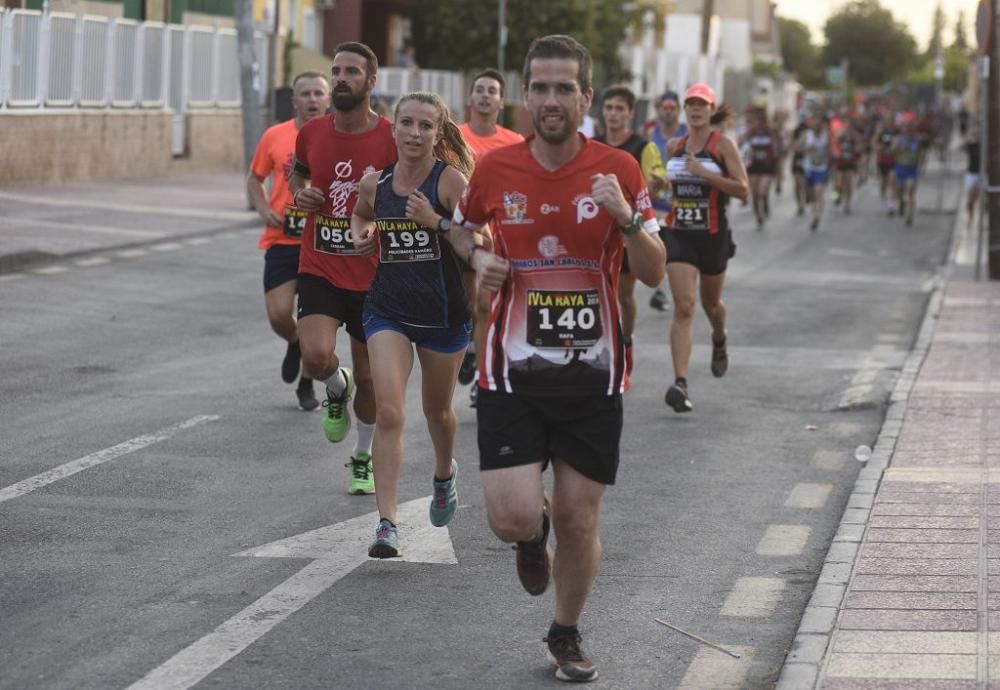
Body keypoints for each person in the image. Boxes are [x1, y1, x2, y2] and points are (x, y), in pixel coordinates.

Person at [451, 34, 665, 682]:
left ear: (586, 97)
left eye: (563, 88)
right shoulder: (495, 170)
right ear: (525, 95)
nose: (550, 100)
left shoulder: (620, 172)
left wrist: (626, 217)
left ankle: (565, 631)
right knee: (512, 513)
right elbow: (461, 226)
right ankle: (528, 533)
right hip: (512, 368)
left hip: (593, 373)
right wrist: (476, 255)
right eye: (539, 88)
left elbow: (654, 270)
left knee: (580, 516)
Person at [352, 92, 476, 558]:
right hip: (387, 309)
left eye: (425, 126)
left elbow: (474, 242)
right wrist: (360, 234)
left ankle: (444, 475)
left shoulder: (450, 183)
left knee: (437, 412)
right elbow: (361, 215)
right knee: (390, 412)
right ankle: (387, 523)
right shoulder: (375, 184)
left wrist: (436, 222)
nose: (414, 133)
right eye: (406, 123)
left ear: (438, 134)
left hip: (443, 317)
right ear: (394, 128)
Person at [288, 42, 398, 495]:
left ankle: (362, 456)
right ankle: (336, 387)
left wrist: (381, 221)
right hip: (321, 264)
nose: (340, 79)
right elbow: (298, 174)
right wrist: (302, 193)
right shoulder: (311, 133)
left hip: (374, 275)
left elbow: (411, 191)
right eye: (336, 71)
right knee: (314, 357)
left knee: (371, 379)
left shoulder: (393, 136)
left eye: (352, 72)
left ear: (371, 81)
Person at [661, 83, 748, 413]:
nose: (695, 109)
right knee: (684, 306)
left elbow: (743, 191)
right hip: (679, 233)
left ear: (711, 110)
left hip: (712, 235)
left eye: (702, 104)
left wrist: (705, 174)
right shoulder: (675, 146)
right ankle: (680, 383)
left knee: (711, 305)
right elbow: (674, 189)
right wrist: (660, 184)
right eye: (690, 104)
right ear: (685, 109)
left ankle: (719, 335)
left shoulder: (722, 145)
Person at [247, 71, 331, 412]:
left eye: (318, 93)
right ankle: (294, 343)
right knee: (280, 315)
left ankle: (306, 383)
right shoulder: (275, 136)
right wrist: (263, 207)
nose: (312, 100)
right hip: (283, 239)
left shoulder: (336, 137)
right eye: (305, 94)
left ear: (327, 99)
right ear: (294, 100)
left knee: (315, 325)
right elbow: (255, 179)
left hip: (322, 241)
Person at [457, 69, 525, 407]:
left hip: (496, 233)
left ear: (501, 100)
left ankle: (481, 376)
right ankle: (469, 346)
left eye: (492, 91)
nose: (485, 96)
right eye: (479, 90)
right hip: (456, 230)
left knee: (483, 305)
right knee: (465, 305)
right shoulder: (453, 137)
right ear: (470, 98)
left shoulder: (513, 142)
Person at [595, 84, 668, 373]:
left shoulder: (642, 147)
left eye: (619, 109)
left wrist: (657, 183)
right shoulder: (592, 145)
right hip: (597, 232)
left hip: (629, 233)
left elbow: (656, 182)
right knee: (601, 293)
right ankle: (600, 344)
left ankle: (625, 339)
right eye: (609, 108)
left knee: (624, 295)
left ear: (630, 113)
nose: (613, 114)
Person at [644, 90, 687, 312]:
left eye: (673, 108)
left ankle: (677, 290)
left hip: (681, 199)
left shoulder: (686, 133)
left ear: (679, 110)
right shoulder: (651, 133)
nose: (668, 112)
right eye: (665, 108)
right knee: (660, 242)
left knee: (674, 248)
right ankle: (660, 291)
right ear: (659, 110)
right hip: (656, 199)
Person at [743, 106, 777, 230]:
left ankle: (766, 202)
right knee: (755, 195)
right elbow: (742, 144)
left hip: (767, 166)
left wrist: (777, 168)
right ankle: (758, 216)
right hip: (753, 166)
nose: (759, 123)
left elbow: (776, 149)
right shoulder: (751, 131)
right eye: (757, 120)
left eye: (761, 120)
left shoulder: (771, 131)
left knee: (762, 192)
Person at [802, 114, 832, 232]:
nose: (816, 126)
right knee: (811, 195)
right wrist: (807, 148)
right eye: (814, 124)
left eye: (818, 124)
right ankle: (814, 213)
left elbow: (830, 153)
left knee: (818, 191)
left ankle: (817, 216)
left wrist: (830, 169)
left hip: (821, 168)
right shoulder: (807, 135)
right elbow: (799, 148)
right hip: (809, 168)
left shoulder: (826, 136)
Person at [892, 116, 922, 227]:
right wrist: (897, 148)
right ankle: (901, 202)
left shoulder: (917, 139)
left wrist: (919, 163)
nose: (909, 130)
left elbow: (920, 154)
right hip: (901, 168)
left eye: (911, 127)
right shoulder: (899, 139)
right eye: (906, 128)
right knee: (900, 191)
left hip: (912, 169)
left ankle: (909, 214)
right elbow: (892, 152)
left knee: (910, 191)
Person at [834, 120, 861, 214]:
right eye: (846, 128)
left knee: (848, 184)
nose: (847, 130)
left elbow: (859, 149)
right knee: (838, 183)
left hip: (850, 163)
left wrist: (855, 149)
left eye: (849, 128)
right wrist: (837, 154)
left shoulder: (855, 138)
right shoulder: (840, 137)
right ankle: (836, 196)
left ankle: (847, 203)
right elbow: (835, 147)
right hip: (840, 163)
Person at [875, 114, 898, 215]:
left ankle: (891, 206)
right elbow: (873, 142)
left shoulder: (897, 132)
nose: (890, 123)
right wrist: (880, 147)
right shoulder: (881, 132)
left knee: (892, 181)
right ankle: (883, 196)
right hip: (883, 161)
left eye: (891, 121)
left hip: (894, 161)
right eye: (888, 121)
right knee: (884, 182)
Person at [790, 119, 809, 216]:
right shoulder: (796, 134)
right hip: (797, 160)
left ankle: (806, 199)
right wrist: (801, 140)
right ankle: (799, 205)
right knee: (797, 184)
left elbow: (808, 149)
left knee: (804, 183)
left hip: (807, 160)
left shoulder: (810, 134)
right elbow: (794, 148)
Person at [964, 126, 981, 228]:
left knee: (977, 198)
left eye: (977, 134)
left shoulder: (983, 145)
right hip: (971, 174)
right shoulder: (970, 145)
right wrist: (968, 138)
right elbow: (955, 147)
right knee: (970, 200)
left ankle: (975, 217)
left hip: (982, 174)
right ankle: (970, 216)